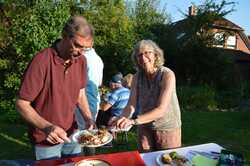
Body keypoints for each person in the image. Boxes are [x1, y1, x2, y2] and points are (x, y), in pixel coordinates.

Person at [15, 16, 95, 160]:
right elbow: (21, 103)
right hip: (46, 138)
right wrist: (47, 127)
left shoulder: (81, 61)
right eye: (77, 45)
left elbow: (80, 93)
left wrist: (88, 118)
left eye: (85, 48)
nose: (80, 52)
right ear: (64, 36)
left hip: (72, 133)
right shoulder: (42, 61)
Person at [111, 40, 182, 152]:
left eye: (147, 53)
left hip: (167, 127)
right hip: (144, 126)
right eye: (139, 55)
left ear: (155, 55)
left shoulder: (167, 75)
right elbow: (131, 105)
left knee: (168, 160)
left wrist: (133, 121)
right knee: (145, 159)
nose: (143, 57)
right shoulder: (136, 77)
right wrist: (121, 118)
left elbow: (161, 110)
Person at [75, 29, 104, 130]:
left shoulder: (81, 58)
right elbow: (100, 82)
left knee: (82, 135)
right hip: (93, 100)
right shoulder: (98, 59)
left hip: (84, 101)